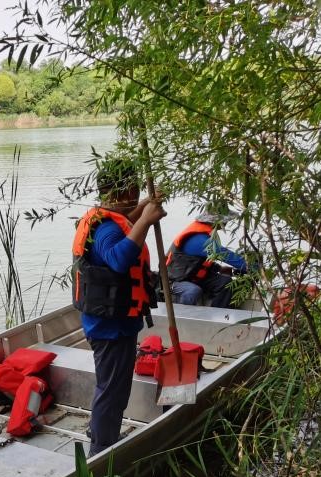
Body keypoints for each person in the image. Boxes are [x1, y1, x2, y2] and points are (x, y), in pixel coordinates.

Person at [72, 157, 166, 456]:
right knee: (112, 391)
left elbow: (126, 224)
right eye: (135, 187)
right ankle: (101, 449)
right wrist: (146, 220)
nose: (137, 192)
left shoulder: (106, 217)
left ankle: (100, 430)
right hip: (110, 328)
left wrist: (142, 212)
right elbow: (118, 258)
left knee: (112, 386)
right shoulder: (105, 230)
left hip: (115, 323)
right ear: (127, 189)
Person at [166, 211, 248, 308]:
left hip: (191, 277)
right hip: (175, 281)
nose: (227, 223)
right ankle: (182, 317)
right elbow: (227, 256)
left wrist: (219, 268)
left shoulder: (203, 234)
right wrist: (252, 267)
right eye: (225, 220)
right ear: (215, 221)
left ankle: (218, 315)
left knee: (226, 282)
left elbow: (195, 262)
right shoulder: (200, 240)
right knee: (193, 291)